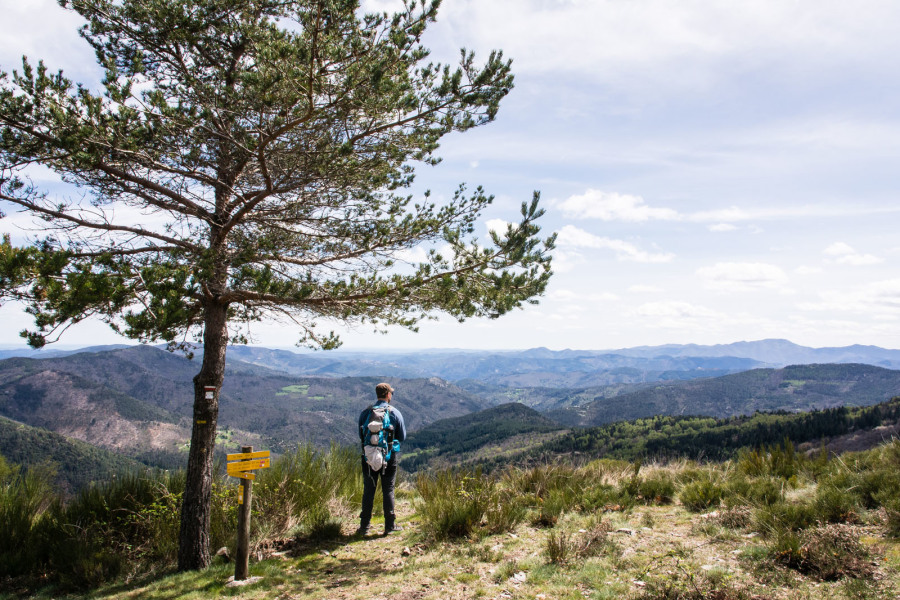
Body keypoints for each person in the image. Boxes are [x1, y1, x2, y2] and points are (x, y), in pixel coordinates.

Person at [356, 382, 407, 536]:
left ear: (377, 394)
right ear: (388, 395)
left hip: (369, 457)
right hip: (388, 457)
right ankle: (389, 526)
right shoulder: (394, 413)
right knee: (388, 490)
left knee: (369, 490)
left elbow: (361, 435)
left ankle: (364, 527)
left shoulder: (366, 413)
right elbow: (402, 436)